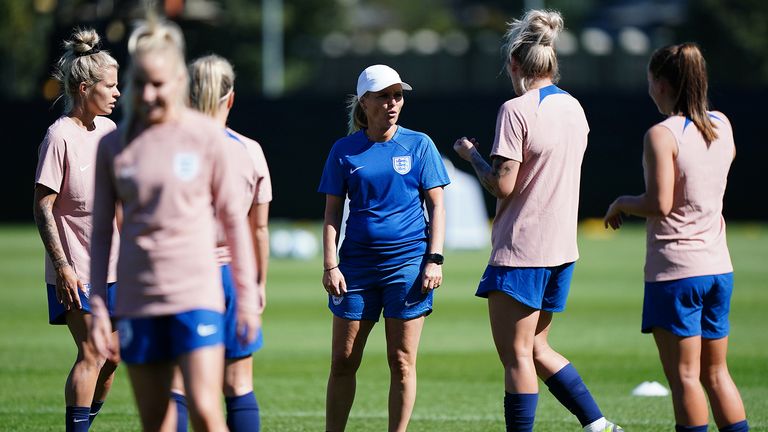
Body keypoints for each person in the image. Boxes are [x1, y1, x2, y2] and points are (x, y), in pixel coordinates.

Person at [452, 9, 622, 432]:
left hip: (521, 249)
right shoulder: (575, 108)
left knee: (516, 357)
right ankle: (598, 424)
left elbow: (502, 185)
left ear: (514, 64)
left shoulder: (515, 109)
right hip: (561, 248)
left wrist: (470, 154)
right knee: (538, 347)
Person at [87, 16, 259, 432]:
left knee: (204, 406)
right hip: (137, 299)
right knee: (157, 421)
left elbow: (236, 223)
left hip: (196, 294)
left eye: (159, 83)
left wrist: (248, 295)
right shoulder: (113, 146)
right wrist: (97, 307)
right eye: (140, 83)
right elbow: (101, 233)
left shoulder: (205, 137)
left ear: (179, 81)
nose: (148, 94)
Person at [604, 43, 749, 432]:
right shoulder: (722, 124)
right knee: (717, 374)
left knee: (685, 377)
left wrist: (621, 202)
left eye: (650, 80)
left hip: (677, 272)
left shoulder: (661, 134)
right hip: (719, 267)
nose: (649, 89)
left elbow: (659, 203)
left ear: (663, 84)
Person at [319, 64, 450, 432]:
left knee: (402, 360)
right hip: (356, 268)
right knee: (343, 361)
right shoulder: (344, 150)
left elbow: (437, 205)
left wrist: (434, 259)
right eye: (384, 96)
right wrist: (331, 264)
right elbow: (331, 214)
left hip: (408, 266)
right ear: (365, 101)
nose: (393, 103)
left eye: (398, 95)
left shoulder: (419, 144)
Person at [166, 53, 272, 432]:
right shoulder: (249, 151)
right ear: (231, 98)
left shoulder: (166, 147)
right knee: (238, 383)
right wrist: (257, 286)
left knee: (178, 385)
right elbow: (257, 230)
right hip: (232, 276)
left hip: (183, 276)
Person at [32, 27, 121, 432]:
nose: (118, 93)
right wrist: (63, 266)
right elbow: (42, 206)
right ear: (85, 88)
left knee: (114, 356)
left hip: (115, 267)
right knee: (91, 351)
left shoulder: (108, 131)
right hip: (77, 270)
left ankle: (82, 423)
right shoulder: (58, 137)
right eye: (111, 86)